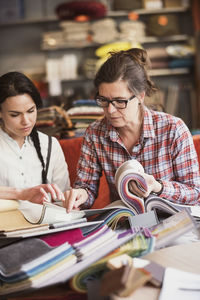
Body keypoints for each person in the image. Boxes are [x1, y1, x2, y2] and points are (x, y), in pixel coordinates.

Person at [65, 48, 200, 212]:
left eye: (120, 101)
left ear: (140, 96)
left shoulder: (173, 129)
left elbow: (195, 193)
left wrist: (158, 186)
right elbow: (86, 188)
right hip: (125, 224)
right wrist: (81, 195)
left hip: (173, 224)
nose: (110, 110)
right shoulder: (95, 134)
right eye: (103, 100)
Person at [0, 71, 70, 208]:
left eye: (31, 111)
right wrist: (20, 194)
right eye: (15, 115)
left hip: (45, 226)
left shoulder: (50, 146)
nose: (26, 121)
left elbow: (63, 199)